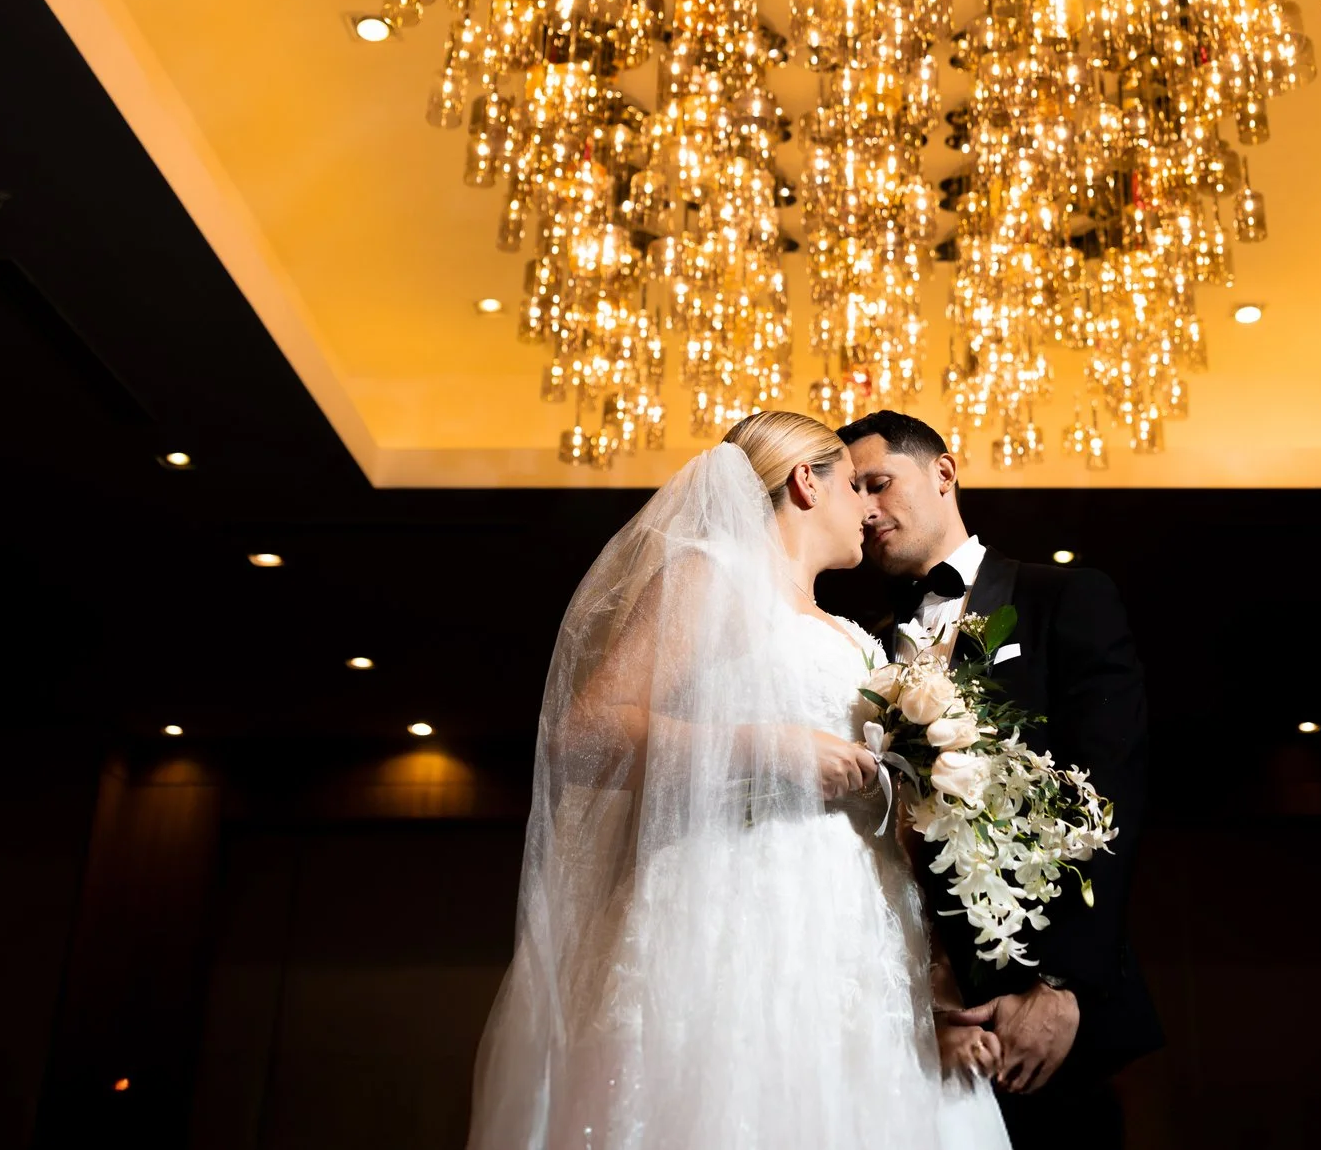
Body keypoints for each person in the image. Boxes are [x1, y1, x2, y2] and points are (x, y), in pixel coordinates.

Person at [468, 411, 1011, 1150]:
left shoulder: (852, 632)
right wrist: (765, 748)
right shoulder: (710, 574)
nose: (868, 509)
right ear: (804, 483)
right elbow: (585, 733)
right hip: (738, 902)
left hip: (858, 928)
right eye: (854, 485)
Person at [842, 410, 1163, 1150]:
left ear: (944, 472)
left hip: (1039, 1013)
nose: (865, 509)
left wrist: (1064, 987)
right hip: (909, 1021)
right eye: (853, 492)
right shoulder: (854, 642)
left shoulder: (1066, 597)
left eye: (879, 483)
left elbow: (1112, 789)